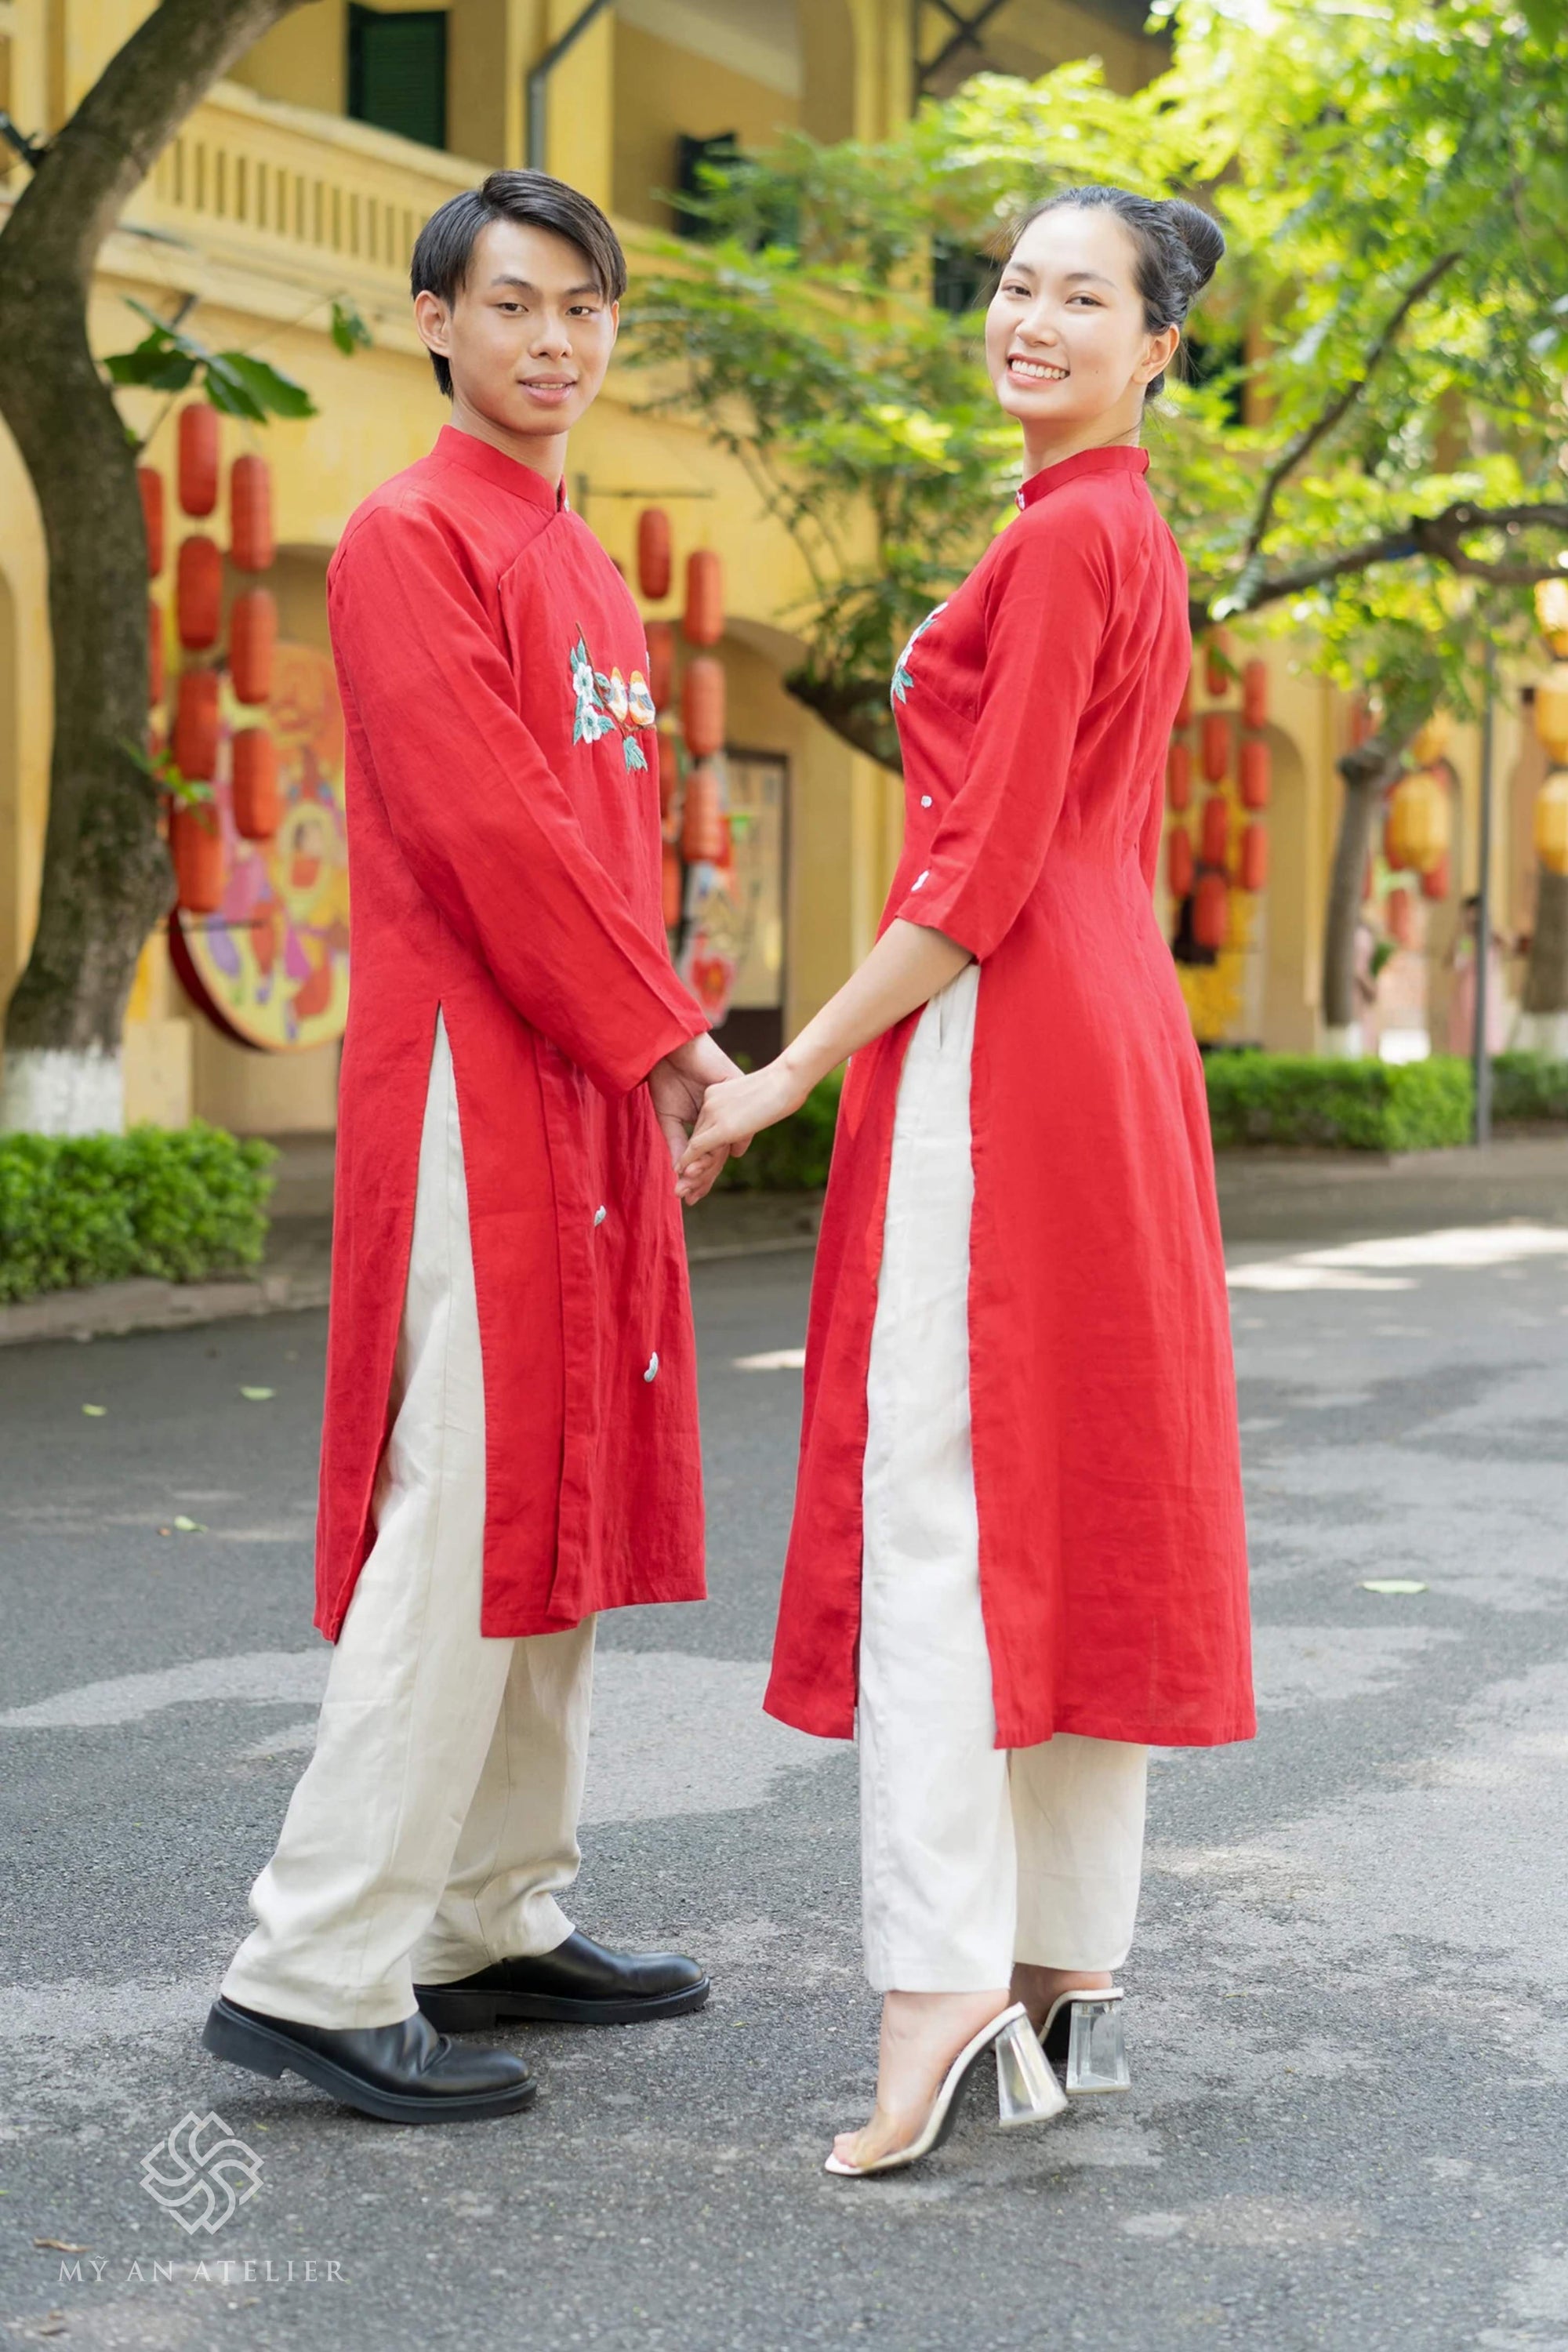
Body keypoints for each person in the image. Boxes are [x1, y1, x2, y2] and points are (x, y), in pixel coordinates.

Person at [680, 186, 1255, 2176]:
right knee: (1066, 1483)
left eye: (1080, 297)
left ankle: (938, 1981)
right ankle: (1054, 1964)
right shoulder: (1116, 526)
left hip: (1010, 1052)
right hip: (1107, 1041)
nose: (1029, 318)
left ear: (1159, 346)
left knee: (937, 1502)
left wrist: (782, 1075)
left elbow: (973, 880)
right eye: (1014, 283)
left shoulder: (1076, 530)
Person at [204, 171, 743, 2125]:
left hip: (580, 1060)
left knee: (563, 1495)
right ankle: (321, 1960)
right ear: (435, 321)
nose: (554, 342)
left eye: (585, 310)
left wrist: (642, 1044)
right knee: (470, 1495)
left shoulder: (583, 564)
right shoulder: (406, 538)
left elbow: (605, 848)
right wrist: (676, 1041)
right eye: (514, 305)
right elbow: (492, 834)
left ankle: (489, 1913)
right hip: (473, 1070)